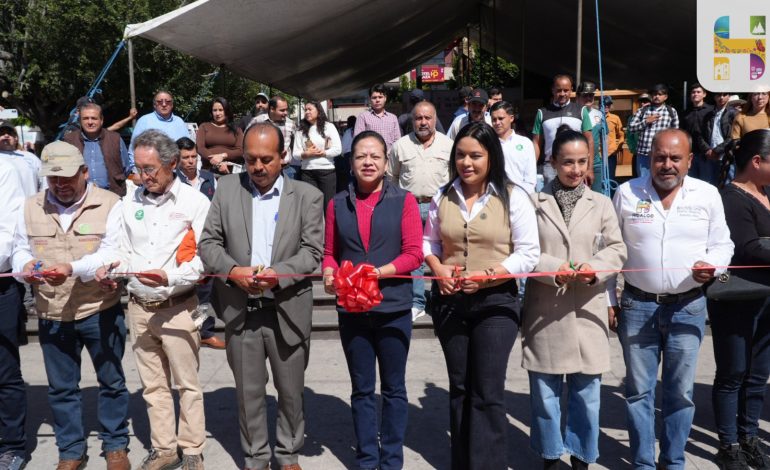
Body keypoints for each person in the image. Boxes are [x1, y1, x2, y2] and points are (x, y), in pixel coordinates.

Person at [199, 122, 323, 470]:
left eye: (266, 159)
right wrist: (233, 271)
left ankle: (288, 455)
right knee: (249, 394)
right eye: (251, 159)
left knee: (291, 391)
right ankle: (256, 458)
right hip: (242, 309)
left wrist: (276, 275)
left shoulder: (308, 196)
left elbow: (312, 252)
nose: (258, 167)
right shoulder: (226, 189)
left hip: (287, 307)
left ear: (283, 157)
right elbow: (208, 243)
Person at [613, 129, 734, 470]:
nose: (667, 165)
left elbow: (723, 243)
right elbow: (609, 247)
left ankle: (674, 461)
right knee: (639, 392)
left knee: (679, 393)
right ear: (649, 158)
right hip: (638, 306)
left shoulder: (707, 195)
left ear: (690, 161)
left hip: (688, 306)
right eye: (660, 157)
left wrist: (714, 266)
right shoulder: (626, 193)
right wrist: (610, 298)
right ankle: (642, 463)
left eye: (675, 158)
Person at [423, 122, 540, 469]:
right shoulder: (441, 196)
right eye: (460, 155)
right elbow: (429, 243)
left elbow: (528, 253)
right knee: (459, 387)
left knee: (487, 392)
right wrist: (437, 267)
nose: (467, 162)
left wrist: (489, 276)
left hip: (496, 304)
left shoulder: (513, 196)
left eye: (475, 155)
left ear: (492, 157)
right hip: (450, 304)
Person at [11, 141, 130, 470]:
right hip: (52, 312)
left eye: (67, 178)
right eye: (53, 179)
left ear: (85, 172)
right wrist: (28, 270)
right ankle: (71, 450)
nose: (60, 185)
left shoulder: (109, 203)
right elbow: (20, 250)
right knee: (62, 389)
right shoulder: (30, 206)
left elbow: (112, 252)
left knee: (112, 382)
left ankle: (116, 444)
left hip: (99, 309)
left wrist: (72, 268)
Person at [101, 129, 210, 470]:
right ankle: (165, 449)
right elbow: (114, 246)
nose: (143, 175)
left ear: (173, 164)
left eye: (151, 169)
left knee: (187, 385)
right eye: (139, 167)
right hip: (138, 307)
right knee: (153, 386)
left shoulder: (195, 202)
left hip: (178, 306)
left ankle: (192, 449)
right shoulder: (128, 201)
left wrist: (170, 277)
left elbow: (204, 259)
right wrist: (110, 269)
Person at [523, 128, 627, 470]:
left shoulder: (601, 203)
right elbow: (523, 252)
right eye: (567, 162)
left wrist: (593, 268)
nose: (576, 169)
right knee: (545, 395)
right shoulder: (534, 204)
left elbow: (617, 248)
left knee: (587, 395)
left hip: (587, 310)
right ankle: (551, 456)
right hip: (546, 310)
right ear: (552, 162)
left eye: (582, 162)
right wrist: (555, 268)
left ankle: (583, 457)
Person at [322, 130, 423, 470]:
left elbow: (414, 254)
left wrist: (379, 272)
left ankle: (392, 460)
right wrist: (328, 273)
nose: (368, 162)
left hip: (393, 308)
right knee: (363, 389)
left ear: (385, 162)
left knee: (394, 389)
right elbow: (329, 254)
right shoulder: (337, 203)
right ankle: (367, 459)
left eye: (375, 156)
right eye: (361, 156)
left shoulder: (404, 201)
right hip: (352, 310)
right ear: (350, 162)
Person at [707, 129, 770, 470]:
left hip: (765, 298)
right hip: (737, 298)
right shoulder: (730, 197)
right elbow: (748, 247)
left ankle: (749, 437)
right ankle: (728, 443)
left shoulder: (765, 192)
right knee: (732, 373)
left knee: (758, 374)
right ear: (757, 162)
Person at [387, 101, 453, 319]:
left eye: (428, 117)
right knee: (414, 255)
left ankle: (440, 298)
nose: (423, 122)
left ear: (435, 119)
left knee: (440, 255)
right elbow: (392, 178)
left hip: (440, 207)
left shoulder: (448, 145)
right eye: (419, 118)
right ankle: (417, 301)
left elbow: (455, 178)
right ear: (412, 120)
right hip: (411, 207)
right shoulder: (400, 146)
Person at [175, 137, 225, 350]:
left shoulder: (208, 178)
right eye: (185, 157)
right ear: (177, 160)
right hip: (182, 243)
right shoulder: (174, 181)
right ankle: (187, 331)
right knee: (185, 289)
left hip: (206, 241)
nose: (190, 161)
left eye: (193, 156)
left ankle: (205, 331)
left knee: (205, 289)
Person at [0, 162, 27, 470]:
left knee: (4, 373)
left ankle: (12, 446)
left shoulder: (4, 170)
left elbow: (9, 233)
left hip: (2, 284)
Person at [532, 74, 594, 186]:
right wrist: (532, 168)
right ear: (553, 90)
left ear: (571, 90)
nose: (562, 94)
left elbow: (589, 140)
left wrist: (589, 168)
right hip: (550, 166)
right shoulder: (542, 113)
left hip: (575, 166)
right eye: (559, 90)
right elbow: (536, 142)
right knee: (551, 201)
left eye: (566, 90)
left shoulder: (581, 111)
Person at [63, 102, 131, 196]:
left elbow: (126, 168)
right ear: (80, 121)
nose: (90, 122)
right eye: (85, 118)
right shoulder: (69, 140)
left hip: (112, 195)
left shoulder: (115, 139)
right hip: (80, 196)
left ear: (101, 120)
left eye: (94, 118)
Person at [293, 101, 340, 208]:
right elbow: (295, 154)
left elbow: (338, 149)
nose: (307, 112)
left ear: (318, 111)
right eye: (305, 110)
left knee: (329, 205)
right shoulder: (300, 130)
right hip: (307, 172)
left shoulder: (329, 127)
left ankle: (328, 225)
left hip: (327, 171)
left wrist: (324, 153)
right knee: (310, 205)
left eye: (310, 109)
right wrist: (306, 154)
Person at [627, 84, 679, 178]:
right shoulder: (642, 110)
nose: (656, 96)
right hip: (644, 154)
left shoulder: (671, 111)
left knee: (661, 181)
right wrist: (646, 121)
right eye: (654, 94)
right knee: (643, 182)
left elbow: (675, 134)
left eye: (659, 94)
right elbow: (631, 128)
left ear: (665, 97)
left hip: (662, 155)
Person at [128, 91, 190, 169]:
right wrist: (137, 171)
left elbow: (188, 148)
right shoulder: (144, 121)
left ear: (172, 105)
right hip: (151, 173)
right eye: (160, 102)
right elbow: (133, 149)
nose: (164, 104)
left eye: (168, 102)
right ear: (155, 105)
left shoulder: (180, 122)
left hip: (178, 172)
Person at [491, 101, 537, 194]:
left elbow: (530, 178)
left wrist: (521, 197)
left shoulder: (525, 143)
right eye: (494, 119)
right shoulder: (488, 144)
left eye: (500, 118)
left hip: (521, 198)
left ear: (511, 118)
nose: (497, 123)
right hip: (494, 198)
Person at [196, 97, 244, 175]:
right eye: (215, 110)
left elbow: (241, 150)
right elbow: (200, 147)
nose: (217, 113)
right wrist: (215, 160)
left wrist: (222, 156)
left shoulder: (236, 129)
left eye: (221, 110)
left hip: (230, 172)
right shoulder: (204, 126)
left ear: (226, 111)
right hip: (208, 170)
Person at [253, 96, 296, 178]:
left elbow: (295, 145)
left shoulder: (291, 124)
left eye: (286, 109)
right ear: (272, 109)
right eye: (282, 110)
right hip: (263, 170)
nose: (286, 113)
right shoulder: (257, 121)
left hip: (286, 170)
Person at [683, 83, 716, 185]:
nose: (695, 94)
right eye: (693, 92)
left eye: (698, 92)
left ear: (704, 94)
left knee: (707, 183)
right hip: (690, 153)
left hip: (707, 153)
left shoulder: (712, 110)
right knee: (691, 182)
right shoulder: (685, 112)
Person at [705, 92, 739, 186]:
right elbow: (704, 134)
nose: (721, 97)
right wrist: (708, 149)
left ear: (729, 97)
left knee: (728, 184)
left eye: (724, 95)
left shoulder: (734, 113)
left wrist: (717, 150)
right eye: (719, 95)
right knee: (711, 185)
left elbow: (734, 136)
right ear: (714, 97)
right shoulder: (710, 114)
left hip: (727, 155)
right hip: (711, 155)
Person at [354, 84, 401, 152]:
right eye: (374, 97)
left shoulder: (393, 118)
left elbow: (397, 140)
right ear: (370, 99)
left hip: (390, 157)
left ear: (385, 98)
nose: (377, 100)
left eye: (380, 97)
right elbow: (358, 140)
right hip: (371, 157)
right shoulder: (363, 117)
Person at [0, 121, 41, 196]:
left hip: (30, 206)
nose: (6, 135)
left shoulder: (31, 157)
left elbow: (44, 182)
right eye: (2, 133)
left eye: (10, 133)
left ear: (16, 138)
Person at [576, 82, 603, 192]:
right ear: (578, 97)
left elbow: (604, 139)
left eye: (591, 95)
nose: (588, 98)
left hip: (596, 163)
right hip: (578, 163)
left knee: (597, 197)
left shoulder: (600, 115)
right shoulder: (573, 113)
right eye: (585, 95)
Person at [603, 96, 625, 193]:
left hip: (611, 154)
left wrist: (618, 148)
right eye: (604, 104)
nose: (606, 106)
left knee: (611, 178)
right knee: (600, 179)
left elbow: (621, 135)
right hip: (598, 155)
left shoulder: (615, 118)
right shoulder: (595, 118)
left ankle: (611, 200)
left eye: (608, 104)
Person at [338, 115, 356, 190]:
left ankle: (350, 190)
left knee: (349, 175)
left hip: (348, 155)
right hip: (358, 154)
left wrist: (342, 154)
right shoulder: (360, 130)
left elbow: (343, 146)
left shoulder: (348, 131)